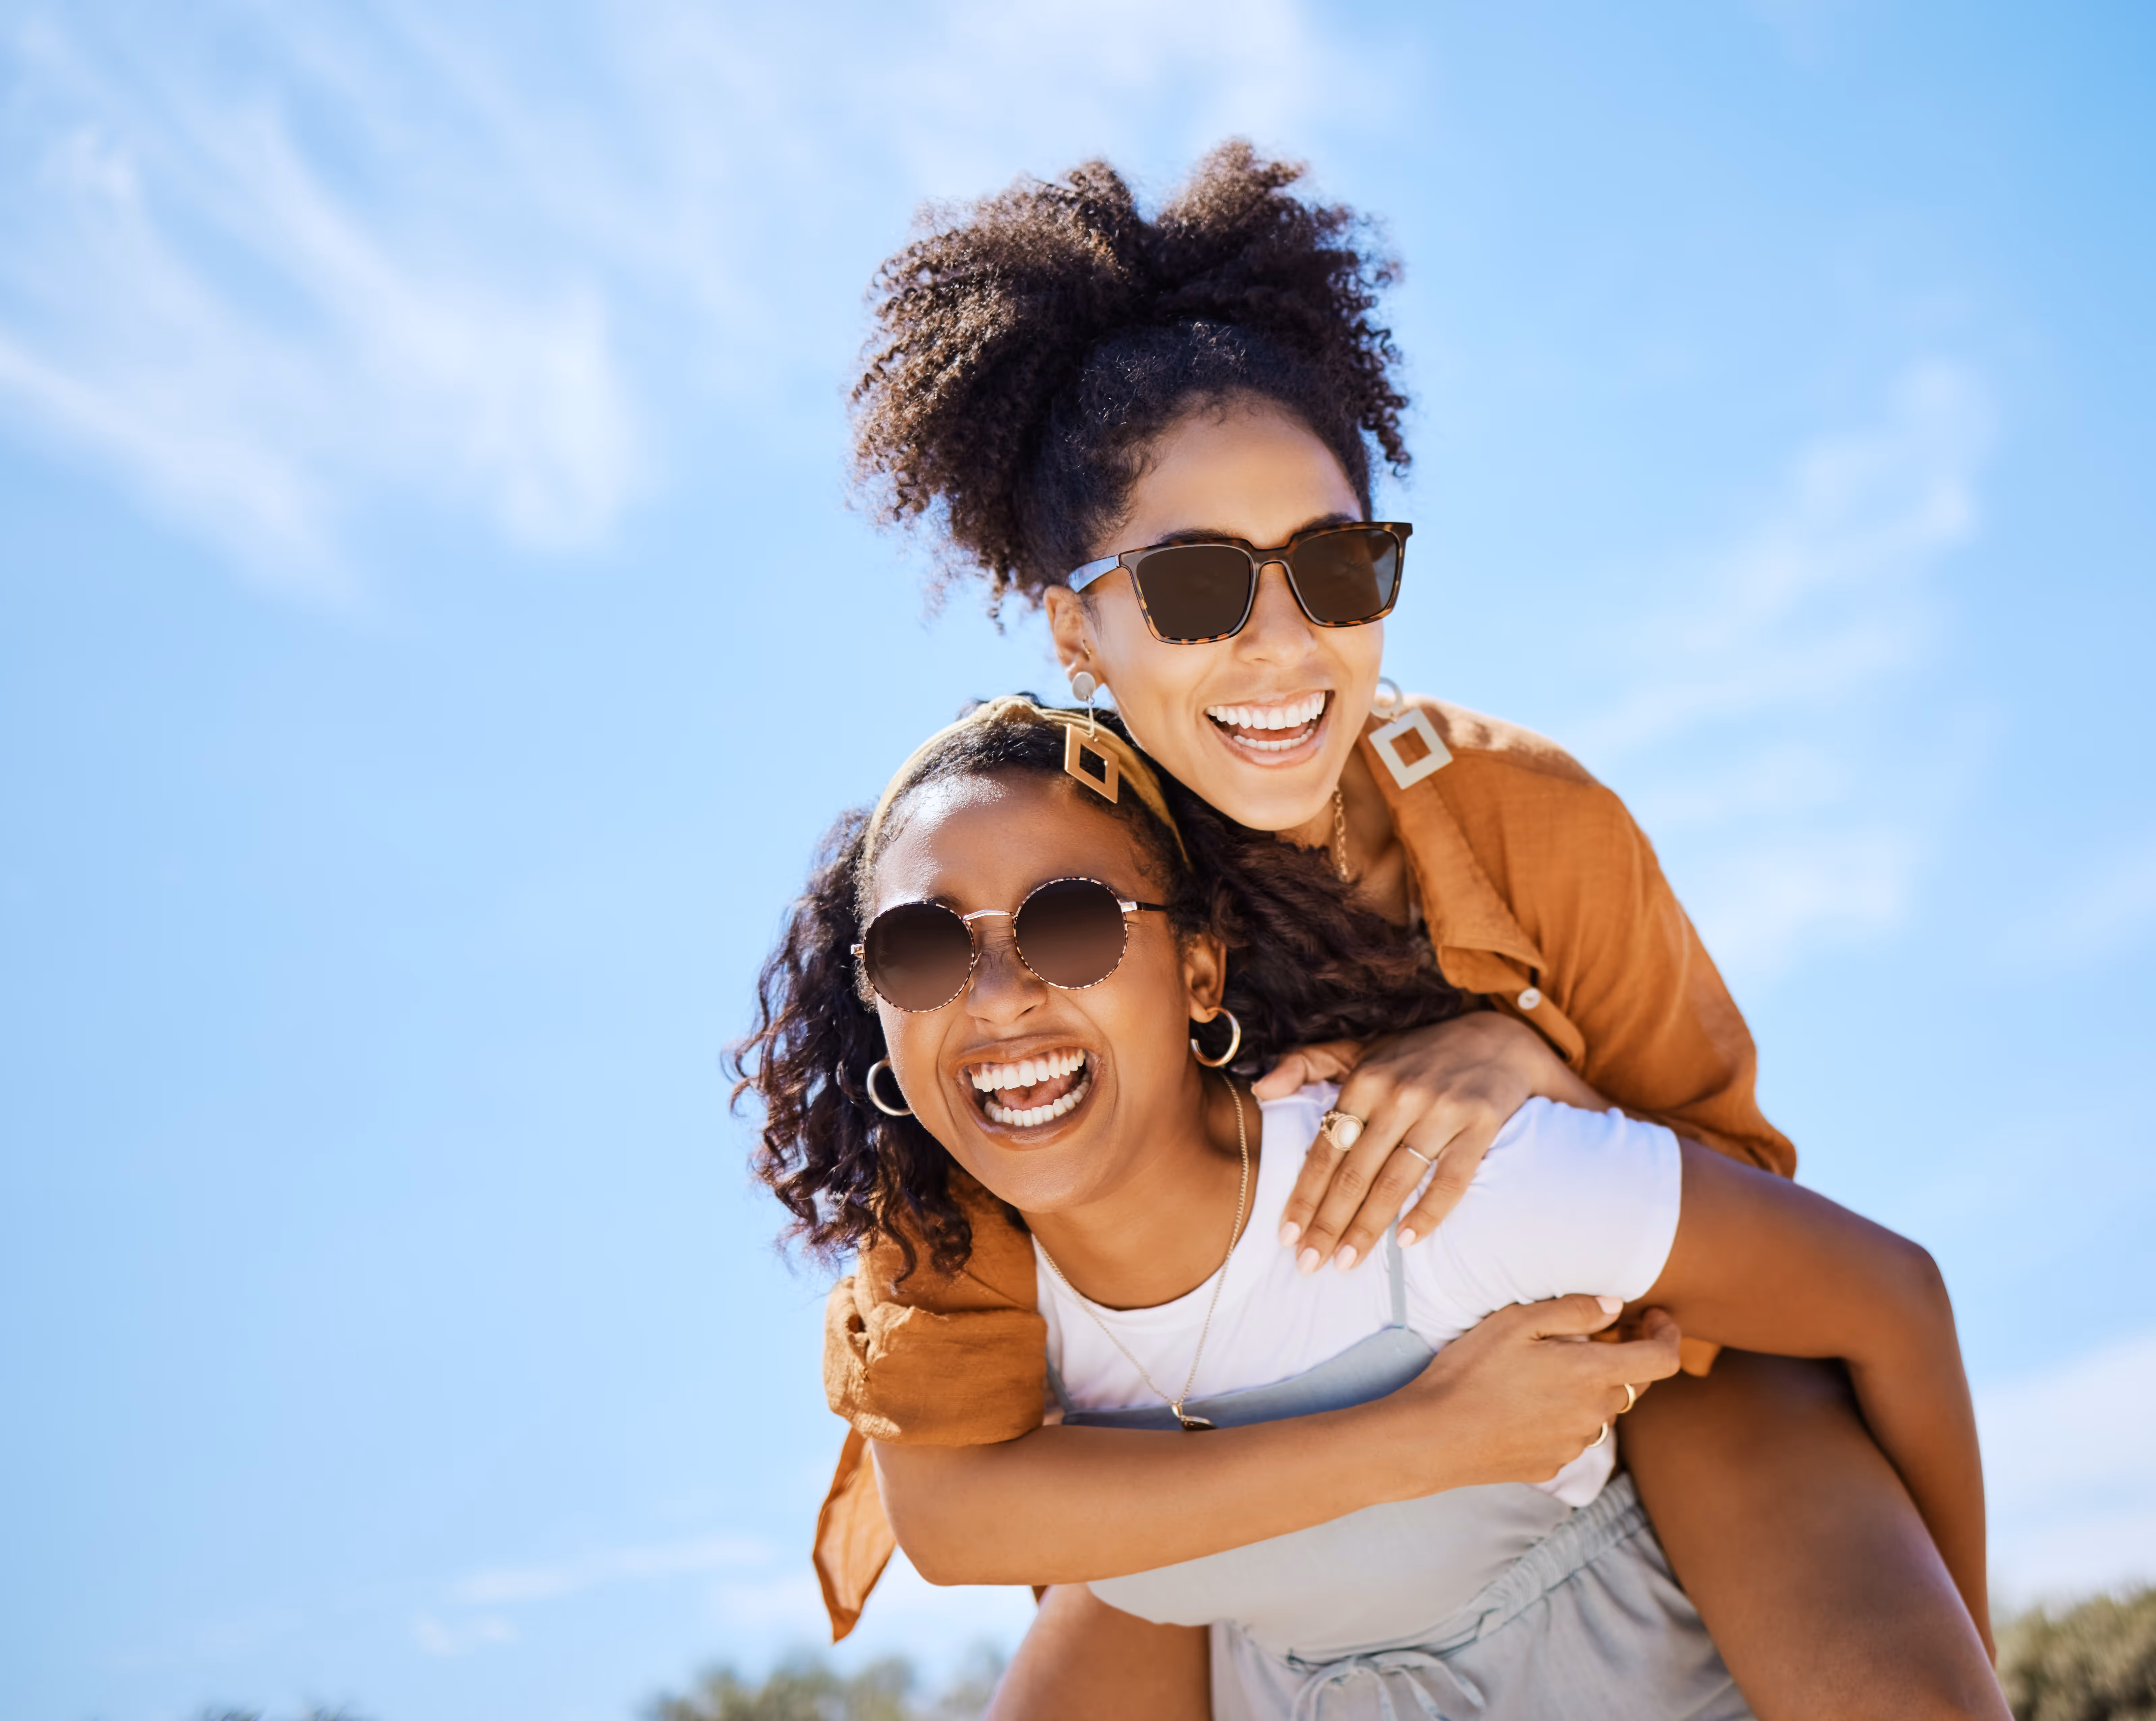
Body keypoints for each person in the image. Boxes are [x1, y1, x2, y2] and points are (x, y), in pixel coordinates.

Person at [808, 142, 2006, 1718]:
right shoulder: (1020, 926)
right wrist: (1409, 1444)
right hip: (1227, 1455)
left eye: (1335, 567)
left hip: (1607, 1364)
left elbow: (1750, 1220)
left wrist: (1534, 1069)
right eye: (1194, 589)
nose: (1282, 645)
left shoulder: (1519, 818)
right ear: (1075, 629)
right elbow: (969, 1479)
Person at [738, 697, 1994, 1720]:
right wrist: (1430, 1435)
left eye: (1070, 925)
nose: (998, 993)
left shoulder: (1435, 1170)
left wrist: (1962, 1651)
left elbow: (1889, 1296)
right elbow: (952, 1524)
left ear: (1199, 969)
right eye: (920, 949)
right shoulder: (948, 1278)